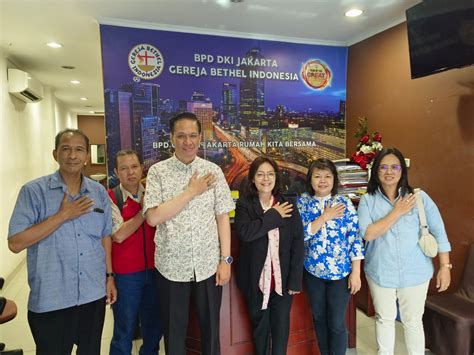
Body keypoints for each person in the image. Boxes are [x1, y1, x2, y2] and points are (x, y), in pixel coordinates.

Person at [8, 128, 116, 355]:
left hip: (92, 294)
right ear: (55, 154)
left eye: (79, 150)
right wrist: (62, 216)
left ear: (87, 156)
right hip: (52, 298)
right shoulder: (34, 191)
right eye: (66, 149)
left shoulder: (98, 192)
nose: (72, 156)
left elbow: (105, 235)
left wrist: (109, 276)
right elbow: (15, 242)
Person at [144, 112, 235, 355]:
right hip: (171, 266)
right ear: (171, 138)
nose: (188, 141)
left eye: (193, 135)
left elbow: (222, 217)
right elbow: (153, 217)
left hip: (207, 265)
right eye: (181, 136)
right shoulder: (158, 172)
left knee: (211, 331)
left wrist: (225, 260)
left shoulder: (213, 170)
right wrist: (191, 191)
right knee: (174, 333)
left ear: (200, 138)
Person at [358, 147, 451, 355]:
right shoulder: (367, 200)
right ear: (376, 171)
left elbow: (439, 231)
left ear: (402, 170)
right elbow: (369, 234)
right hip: (381, 271)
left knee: (413, 322)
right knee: (385, 319)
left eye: (394, 166)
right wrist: (397, 211)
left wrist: (445, 266)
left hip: (415, 271)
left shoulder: (419, 198)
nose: (389, 171)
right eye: (383, 167)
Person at [235, 156, 304, 355]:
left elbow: (298, 243)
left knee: (281, 332)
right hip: (255, 283)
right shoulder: (245, 205)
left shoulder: (288, 204)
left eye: (270, 174)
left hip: (282, 284)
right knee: (260, 332)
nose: (266, 179)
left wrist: (295, 280)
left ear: (276, 178)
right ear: (253, 179)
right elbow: (246, 233)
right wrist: (273, 215)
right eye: (261, 174)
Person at [297, 158, 364, 355]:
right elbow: (300, 235)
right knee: (319, 318)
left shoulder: (344, 203)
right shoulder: (303, 202)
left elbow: (355, 238)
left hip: (340, 274)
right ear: (310, 180)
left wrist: (356, 272)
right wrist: (324, 217)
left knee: (336, 322)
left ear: (335, 179)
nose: (323, 180)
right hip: (313, 272)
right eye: (318, 176)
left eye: (327, 176)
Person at [108, 150, 162, 355]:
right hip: (126, 275)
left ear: (141, 168)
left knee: (154, 327)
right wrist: (145, 211)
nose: (130, 172)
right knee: (124, 330)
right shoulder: (112, 197)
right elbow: (119, 235)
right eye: (123, 168)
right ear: (116, 172)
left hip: (156, 271)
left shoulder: (153, 193)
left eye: (134, 167)